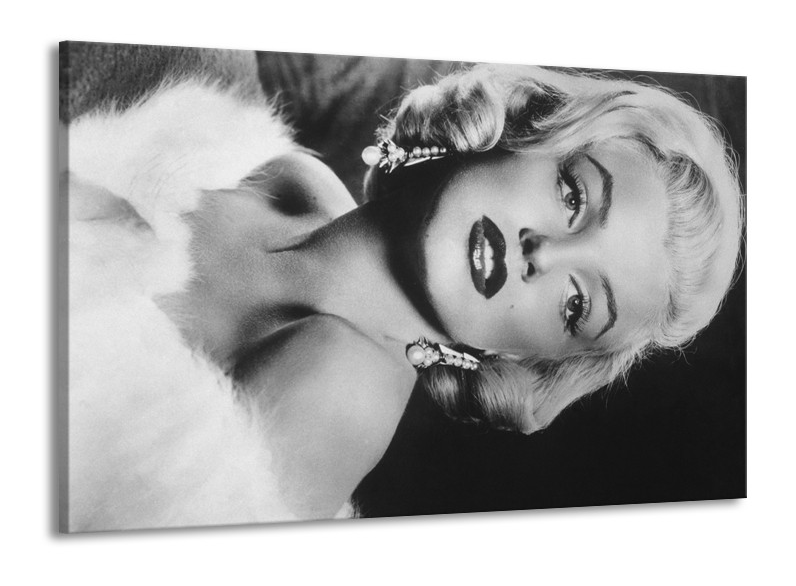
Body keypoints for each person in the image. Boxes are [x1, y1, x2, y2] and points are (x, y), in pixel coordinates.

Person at [63, 47, 743, 531]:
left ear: (530, 359)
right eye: (573, 196)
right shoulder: (295, 180)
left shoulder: (342, 392)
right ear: (525, 129)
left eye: (577, 304)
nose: (542, 254)